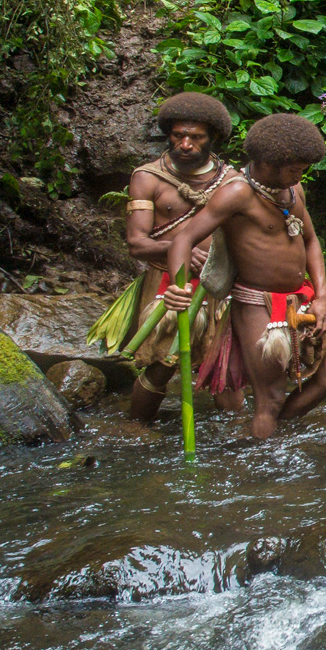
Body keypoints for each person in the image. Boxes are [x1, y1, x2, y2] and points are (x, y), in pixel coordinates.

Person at [160, 113, 326, 439]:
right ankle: (263, 465)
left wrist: (322, 295)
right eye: (294, 169)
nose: (300, 175)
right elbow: (183, 239)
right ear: (267, 162)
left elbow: (310, 240)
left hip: (300, 298)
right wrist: (177, 288)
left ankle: (276, 431)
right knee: (270, 398)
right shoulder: (237, 193)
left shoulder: (293, 189)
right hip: (256, 304)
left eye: (303, 169)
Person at [89, 92, 242, 422]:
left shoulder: (233, 181)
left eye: (196, 137)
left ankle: (237, 441)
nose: (185, 144)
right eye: (178, 135)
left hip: (218, 287)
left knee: (222, 365)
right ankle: (138, 428)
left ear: (213, 139)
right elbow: (137, 244)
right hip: (168, 285)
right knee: (161, 365)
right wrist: (182, 252)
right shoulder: (147, 178)